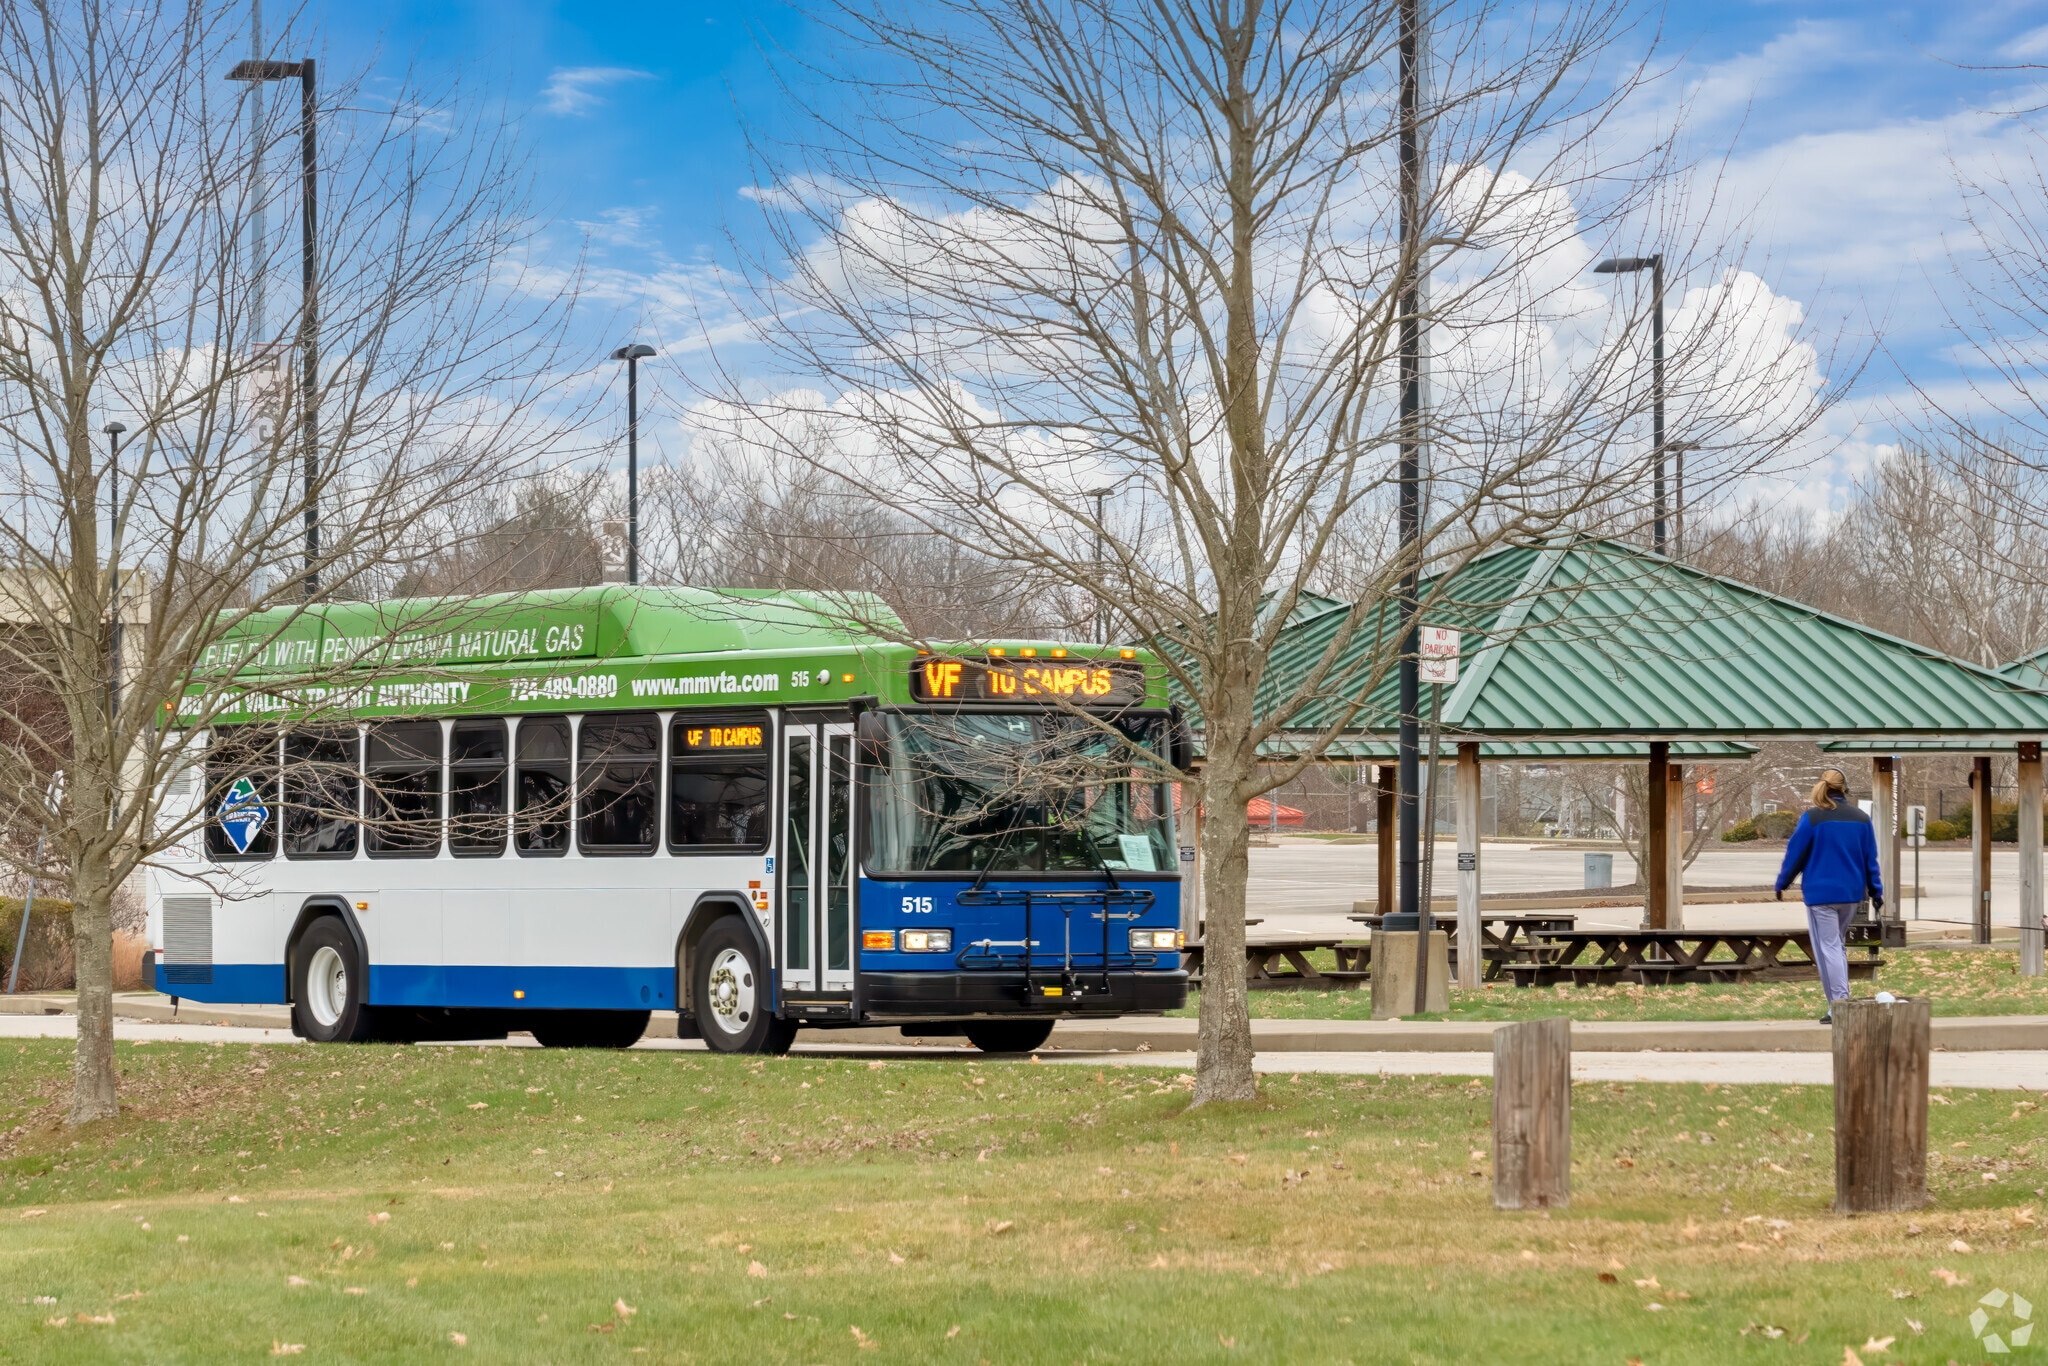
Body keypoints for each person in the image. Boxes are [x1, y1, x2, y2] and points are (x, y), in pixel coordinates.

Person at [1773, 768, 1883, 1022]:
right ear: (1845, 788)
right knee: (1836, 945)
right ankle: (1838, 1002)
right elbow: (1870, 860)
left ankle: (1839, 1004)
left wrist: (1782, 883)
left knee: (1828, 947)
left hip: (1820, 895)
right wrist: (1876, 892)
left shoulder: (1812, 818)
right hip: (1851, 894)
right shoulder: (1861, 819)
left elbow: (1795, 854)